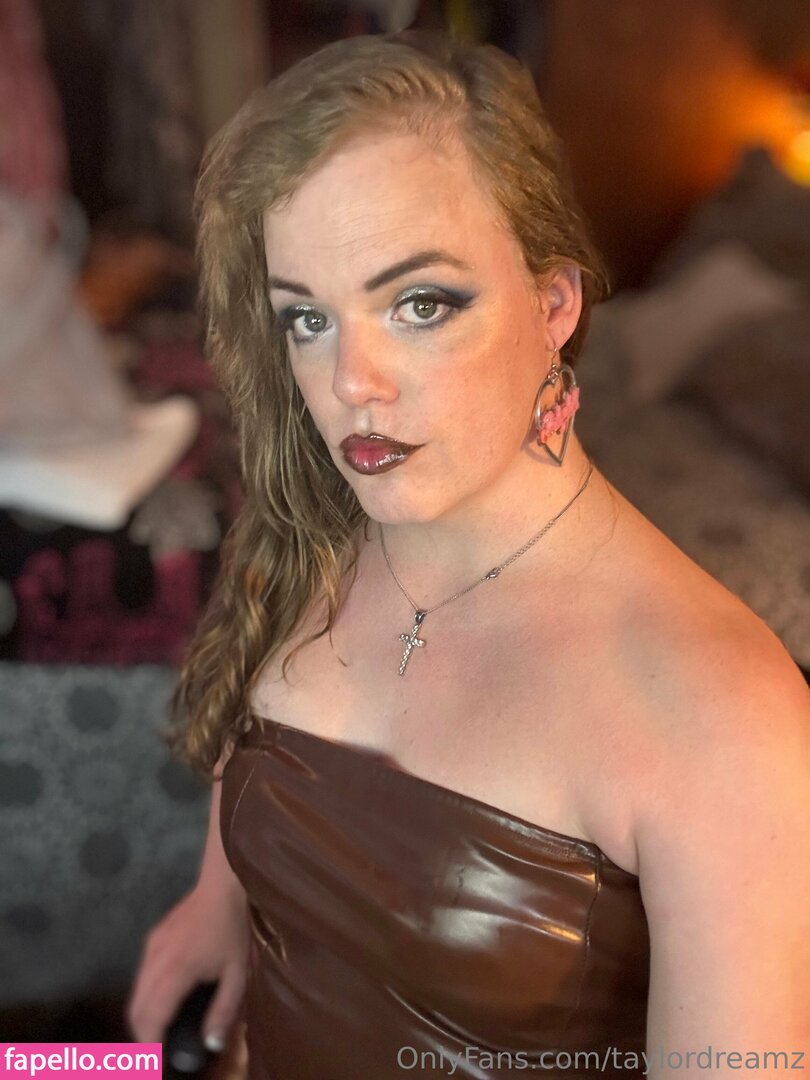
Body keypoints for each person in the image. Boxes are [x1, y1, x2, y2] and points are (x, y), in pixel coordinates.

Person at [126, 30, 810, 1079]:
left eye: (419, 304)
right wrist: (216, 900)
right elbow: (260, 737)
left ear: (554, 304)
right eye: (307, 318)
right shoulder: (317, 533)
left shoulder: (724, 712)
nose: (352, 382)